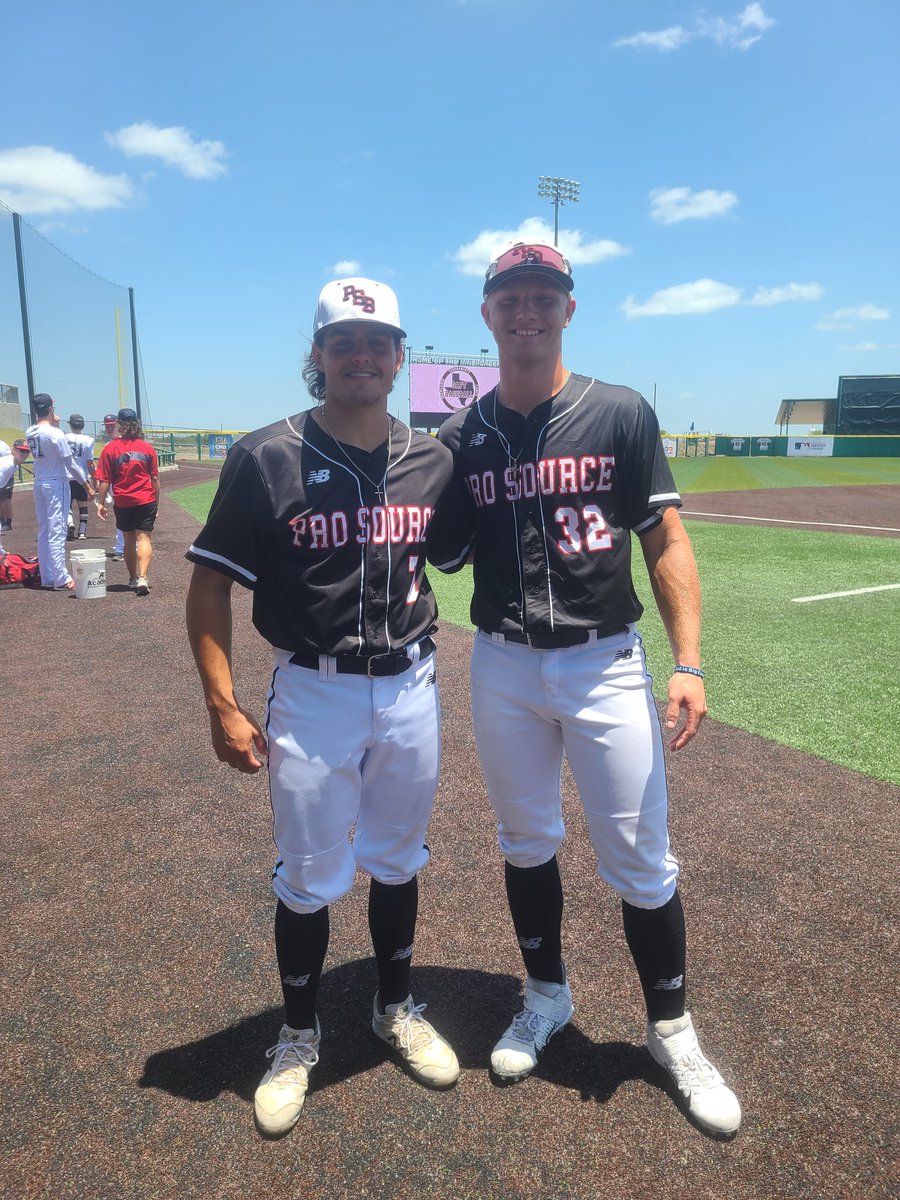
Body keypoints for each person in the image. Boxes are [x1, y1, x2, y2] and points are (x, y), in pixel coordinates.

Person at [427, 242, 741, 1137]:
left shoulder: (618, 411)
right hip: (504, 662)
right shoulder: (461, 438)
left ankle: (671, 1030)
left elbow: (666, 540)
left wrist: (688, 661)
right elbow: (436, 546)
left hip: (606, 663)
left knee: (642, 856)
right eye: (510, 298)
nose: (527, 310)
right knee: (525, 837)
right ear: (487, 315)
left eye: (544, 296)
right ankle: (545, 996)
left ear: (569, 308)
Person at [185, 277, 458, 1139]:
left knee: (399, 858)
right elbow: (207, 588)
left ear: (400, 355)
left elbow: (458, 550)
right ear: (318, 356)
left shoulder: (433, 460)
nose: (363, 355)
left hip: (411, 684)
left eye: (378, 341)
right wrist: (224, 707)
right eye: (345, 341)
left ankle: (396, 1007)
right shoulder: (266, 455)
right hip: (313, 691)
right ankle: (298, 1036)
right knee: (307, 877)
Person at [95, 408, 159, 595]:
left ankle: (132, 578)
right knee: (144, 537)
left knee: (129, 539)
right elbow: (154, 479)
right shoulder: (147, 448)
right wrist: (157, 503)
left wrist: (100, 503)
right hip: (145, 499)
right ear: (137, 425)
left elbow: (105, 480)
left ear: (119, 425)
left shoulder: (110, 449)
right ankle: (143, 578)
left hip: (123, 500)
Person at [25, 393, 78, 591]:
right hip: (56, 483)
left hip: (40, 482)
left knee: (45, 530)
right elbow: (68, 461)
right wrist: (86, 483)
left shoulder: (30, 430)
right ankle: (61, 578)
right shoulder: (56, 434)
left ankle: (47, 575)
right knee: (57, 531)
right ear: (51, 409)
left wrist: (54, 425)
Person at [64, 413, 96, 540]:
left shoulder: (64, 437)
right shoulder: (88, 440)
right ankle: (82, 532)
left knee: (67, 505)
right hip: (82, 477)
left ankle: (70, 523)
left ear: (71, 425)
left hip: (66, 476)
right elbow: (90, 462)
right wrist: (94, 478)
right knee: (83, 505)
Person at [101, 414, 125, 561]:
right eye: (107, 425)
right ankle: (123, 547)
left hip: (125, 487)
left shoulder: (125, 443)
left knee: (125, 517)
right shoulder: (108, 446)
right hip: (115, 487)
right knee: (121, 517)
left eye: (112, 425)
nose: (109, 428)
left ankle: (123, 548)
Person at [0, 440, 31, 553]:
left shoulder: (13, 465)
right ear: (13, 450)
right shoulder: (7, 465)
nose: (25, 454)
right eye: (21, 450)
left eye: (27, 451)